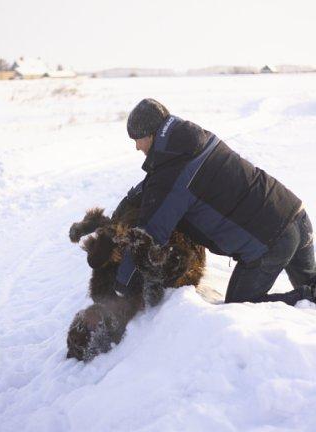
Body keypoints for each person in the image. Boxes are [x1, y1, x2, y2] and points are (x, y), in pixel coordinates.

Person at [114, 98, 316, 306]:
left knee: (242, 307)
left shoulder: (173, 172)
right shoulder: (197, 140)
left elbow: (150, 234)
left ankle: (306, 298)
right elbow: (165, 182)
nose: (137, 147)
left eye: (137, 139)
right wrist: (130, 199)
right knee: (311, 290)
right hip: (297, 215)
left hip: (272, 241)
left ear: (153, 134)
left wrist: (122, 285)